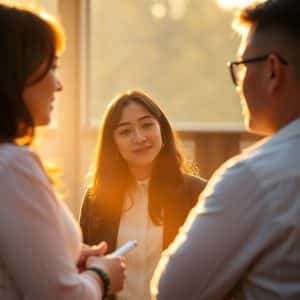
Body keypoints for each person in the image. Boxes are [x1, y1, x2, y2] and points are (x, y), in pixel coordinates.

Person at [151, 0, 300, 299]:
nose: (239, 84)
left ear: (273, 71)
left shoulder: (254, 177)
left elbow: (172, 292)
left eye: (242, 67)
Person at [0, 3, 126, 299]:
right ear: (16, 72)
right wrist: (103, 276)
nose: (59, 86)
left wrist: (64, 252)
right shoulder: (14, 167)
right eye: (52, 67)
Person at [80, 90, 206, 300]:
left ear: (162, 130)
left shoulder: (197, 193)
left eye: (147, 125)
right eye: (125, 131)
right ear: (114, 144)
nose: (139, 138)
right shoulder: (97, 199)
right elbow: (85, 269)